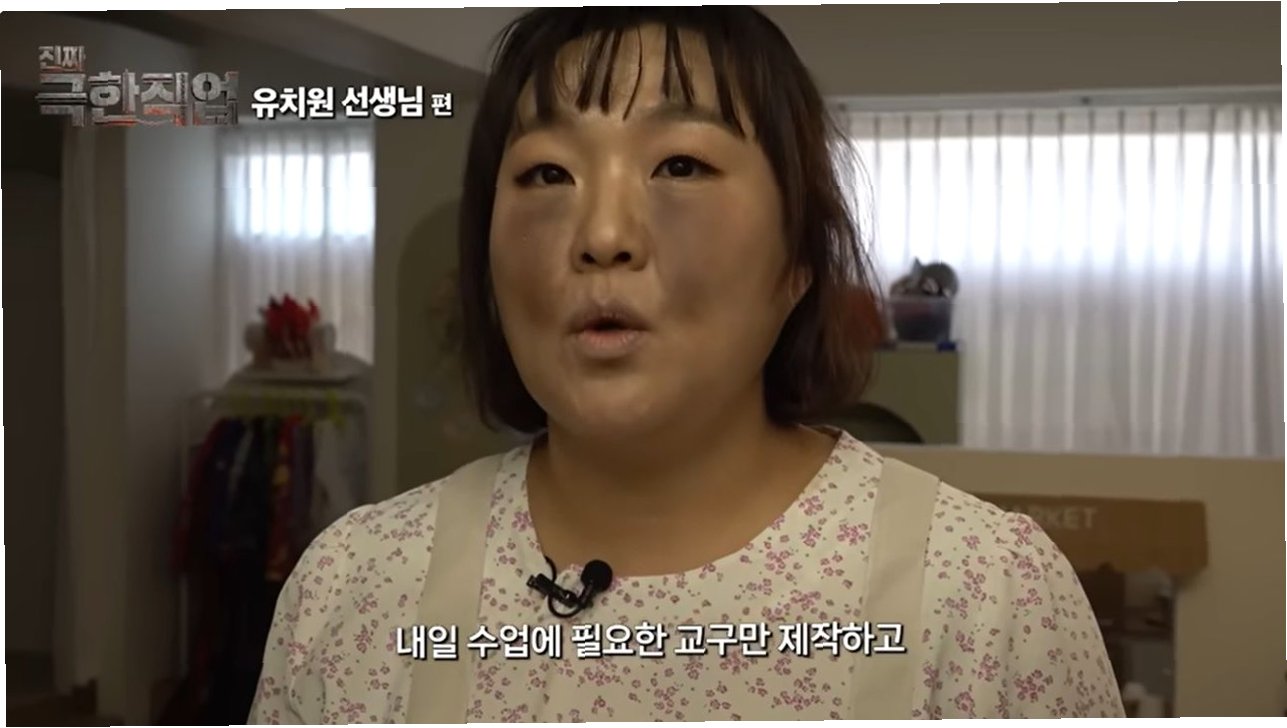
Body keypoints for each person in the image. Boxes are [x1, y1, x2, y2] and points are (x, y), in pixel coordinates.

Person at [249, 7, 1124, 723]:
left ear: (798, 259)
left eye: (680, 164)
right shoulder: (356, 589)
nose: (602, 236)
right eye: (547, 174)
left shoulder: (984, 601)